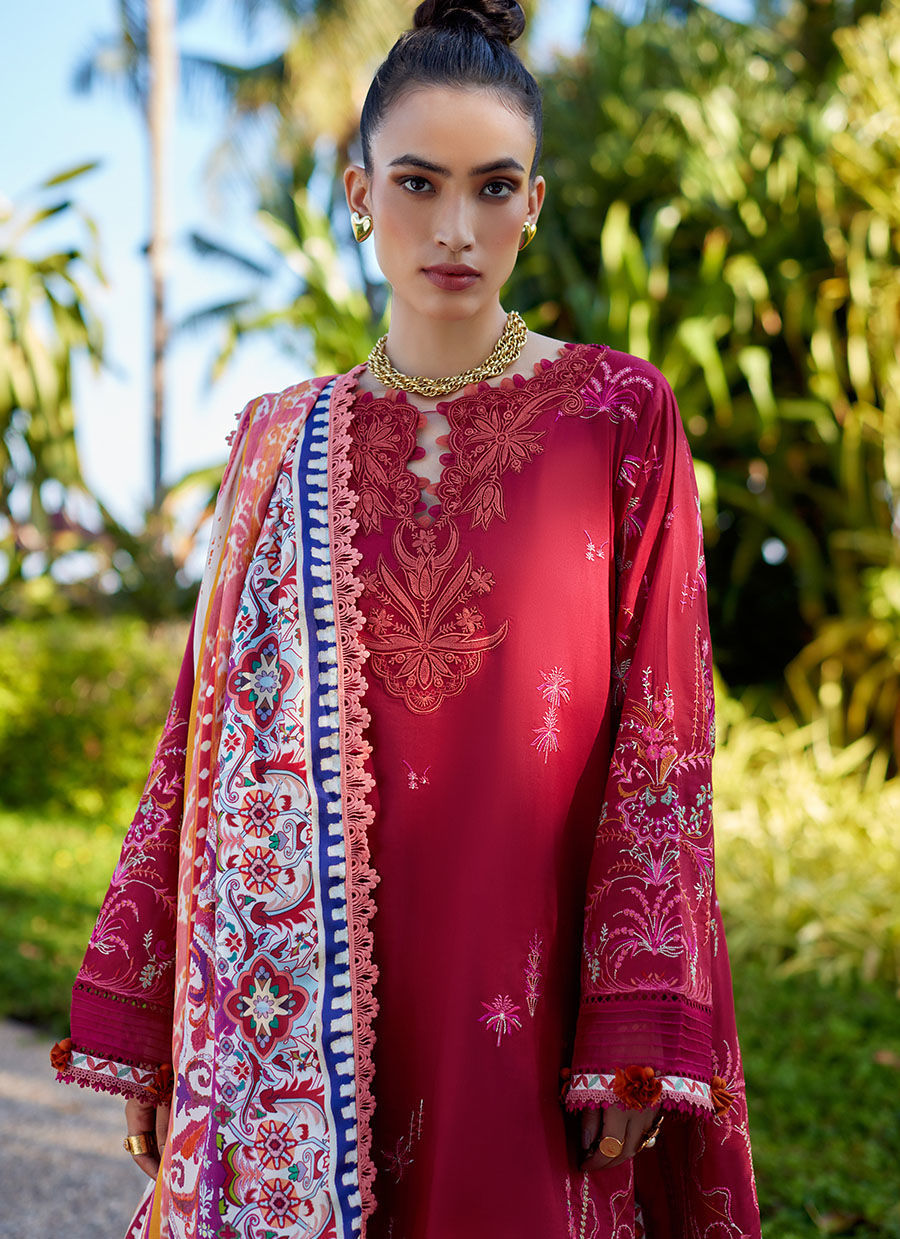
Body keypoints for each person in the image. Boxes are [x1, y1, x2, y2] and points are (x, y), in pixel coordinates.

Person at [51, 1, 761, 1236]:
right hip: (294, 997)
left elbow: (665, 737)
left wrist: (636, 1021)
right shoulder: (278, 439)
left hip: (526, 986)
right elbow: (201, 745)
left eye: (494, 189)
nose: (454, 229)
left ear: (533, 204)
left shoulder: (618, 415)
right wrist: (170, 1030)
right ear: (359, 194)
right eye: (419, 183)